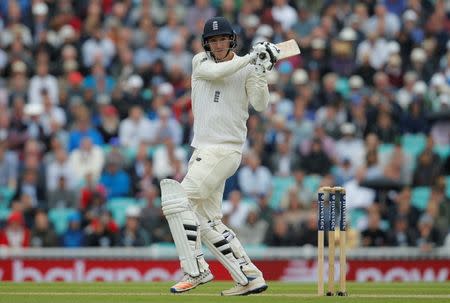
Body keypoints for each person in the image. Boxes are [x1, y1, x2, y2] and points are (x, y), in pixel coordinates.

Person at [160, 16, 280, 296]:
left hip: (225, 150)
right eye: (212, 40)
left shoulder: (248, 67)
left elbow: (261, 105)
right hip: (202, 150)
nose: (217, 44)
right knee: (206, 219)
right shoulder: (199, 63)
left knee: (178, 201)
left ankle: (196, 270)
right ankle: (249, 275)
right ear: (206, 44)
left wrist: (261, 70)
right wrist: (254, 56)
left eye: (222, 39)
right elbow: (218, 74)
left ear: (231, 40)